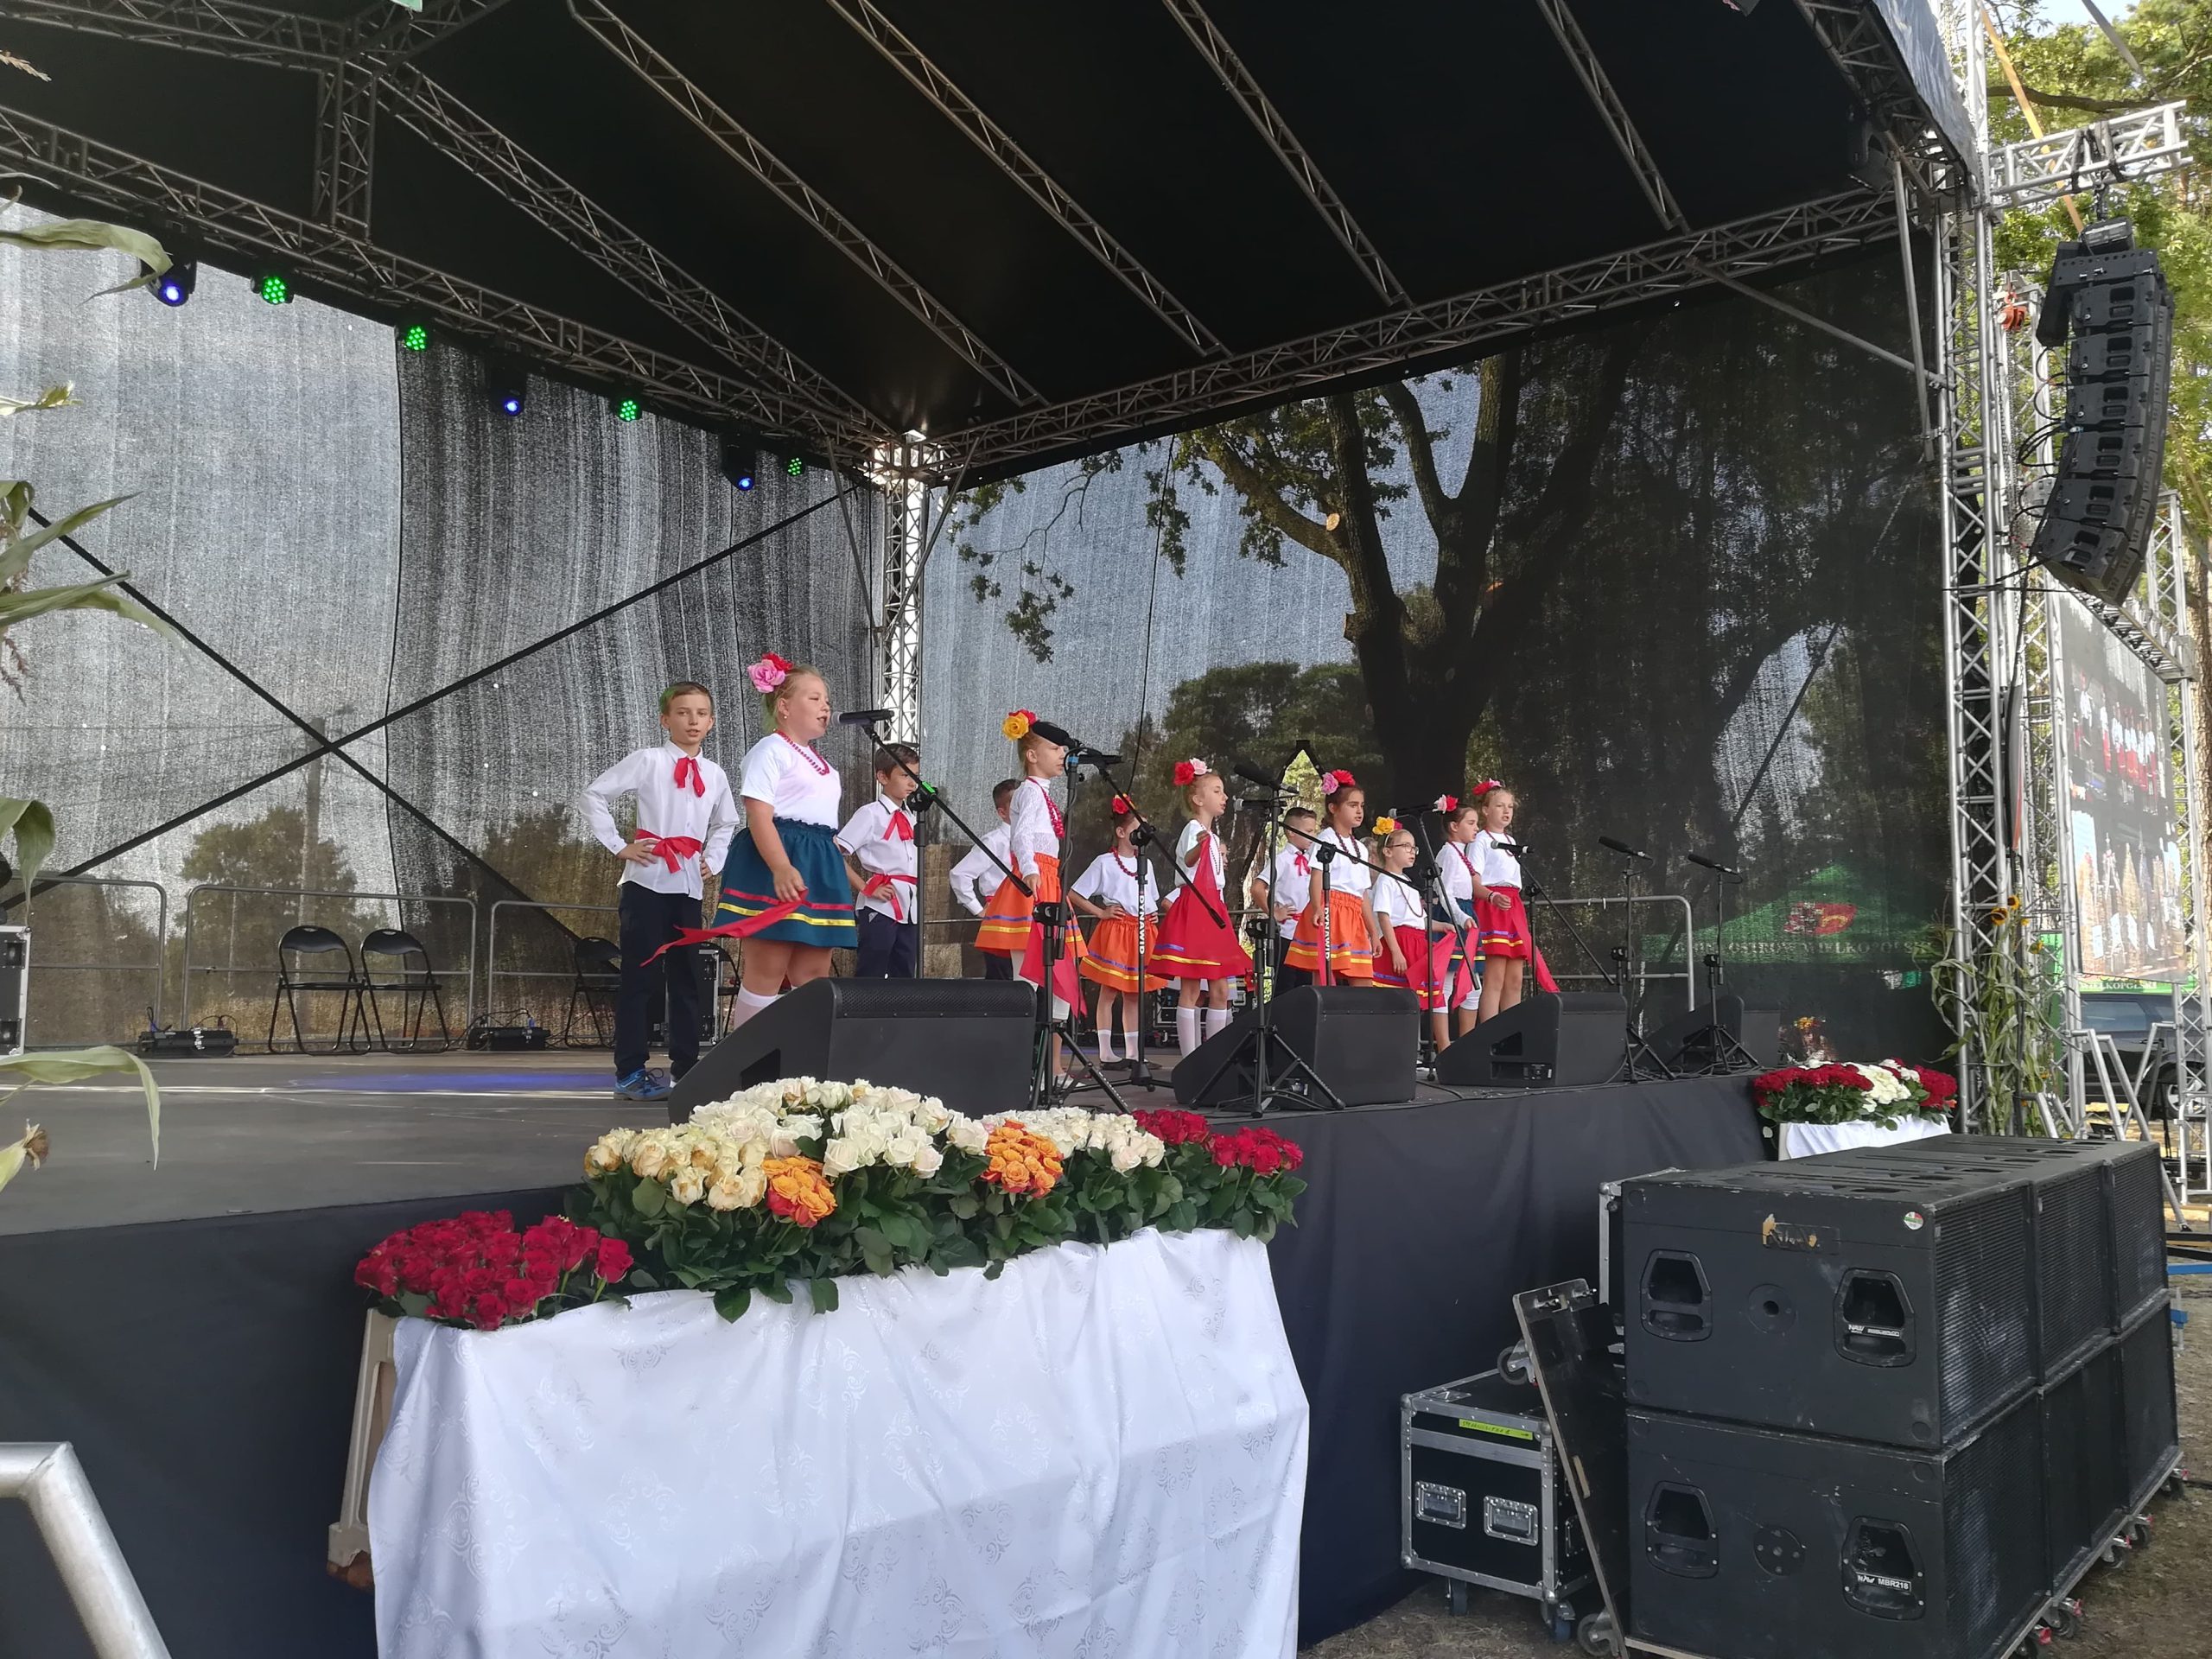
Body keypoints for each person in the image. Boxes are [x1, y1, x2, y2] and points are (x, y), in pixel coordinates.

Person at [579, 682, 740, 1102]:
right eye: (683, 713)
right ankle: (629, 1072)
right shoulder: (648, 760)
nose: (692, 721)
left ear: (711, 721)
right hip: (646, 882)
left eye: (701, 713)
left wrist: (713, 859)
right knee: (640, 977)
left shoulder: (715, 773)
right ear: (665, 719)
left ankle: (687, 1070)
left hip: (687, 885)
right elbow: (593, 794)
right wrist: (619, 845)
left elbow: (726, 822)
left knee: (688, 979)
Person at [710, 653, 857, 1030]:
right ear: (784, 706)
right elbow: (759, 815)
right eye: (814, 698)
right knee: (768, 968)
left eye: (827, 700)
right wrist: (780, 866)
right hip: (780, 857)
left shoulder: (826, 768)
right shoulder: (770, 751)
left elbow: (825, 832)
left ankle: (805, 1058)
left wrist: (848, 877)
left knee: (813, 974)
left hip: (819, 861)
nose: (825, 707)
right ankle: (746, 1059)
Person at [977, 711, 1087, 1069]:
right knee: (1027, 978)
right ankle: (1017, 1063)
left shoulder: (1043, 794)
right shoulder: (1029, 791)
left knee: (1060, 972)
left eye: (1062, 749)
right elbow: (1021, 835)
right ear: (1032, 755)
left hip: (1049, 881)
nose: (1061, 754)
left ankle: (1051, 1066)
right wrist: (1029, 870)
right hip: (1036, 882)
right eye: (1054, 749)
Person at [1153, 760, 1252, 1056]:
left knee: (1220, 989)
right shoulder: (1193, 829)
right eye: (1217, 791)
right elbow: (1189, 860)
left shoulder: (1212, 836)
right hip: (1197, 909)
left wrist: (1214, 849)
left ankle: (1214, 1058)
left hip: (1213, 909)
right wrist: (1202, 845)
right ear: (1198, 799)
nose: (1224, 797)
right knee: (1192, 987)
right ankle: (1191, 1059)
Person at [1074, 797, 1167, 1064]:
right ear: (1121, 832)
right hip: (1117, 930)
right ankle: (1105, 1052)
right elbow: (1075, 893)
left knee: (1134, 993)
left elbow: (1151, 898)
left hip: (1142, 930)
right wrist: (1101, 912)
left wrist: (1151, 913)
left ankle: (1133, 1053)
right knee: (1109, 990)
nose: (1143, 835)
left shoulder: (1146, 863)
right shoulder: (1104, 862)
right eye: (1138, 829)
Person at [1466, 779, 1559, 1025]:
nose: (1506, 811)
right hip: (1493, 906)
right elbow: (1473, 881)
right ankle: (1490, 1032)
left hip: (1513, 905)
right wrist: (1492, 896)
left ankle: (1510, 1030)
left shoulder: (1512, 841)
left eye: (1510, 807)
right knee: (1495, 976)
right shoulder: (1480, 841)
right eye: (1500, 806)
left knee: (1515, 979)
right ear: (1485, 810)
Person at [837, 743, 922, 978]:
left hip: (910, 904)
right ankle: (865, 1004)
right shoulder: (870, 813)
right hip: (881, 903)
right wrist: (865, 887)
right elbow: (834, 852)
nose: (912, 783)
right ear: (883, 777)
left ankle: (900, 1003)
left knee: (905, 969)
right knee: (873, 966)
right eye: (904, 775)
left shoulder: (912, 817)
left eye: (915, 775)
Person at [1286, 770, 1376, 985]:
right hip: (1331, 910)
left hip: (1354, 914)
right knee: (1325, 977)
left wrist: (1373, 931)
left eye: (1361, 805)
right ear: (1333, 808)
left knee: (1363, 980)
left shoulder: (1361, 849)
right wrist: (1317, 907)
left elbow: (1362, 892)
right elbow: (1316, 877)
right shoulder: (1326, 839)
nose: (1359, 811)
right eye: (1352, 805)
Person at [950, 779, 1020, 980]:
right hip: (1001, 916)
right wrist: (979, 909)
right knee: (1002, 976)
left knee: (1028, 978)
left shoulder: (1034, 840)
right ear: (1002, 812)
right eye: (1017, 804)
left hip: (1028, 916)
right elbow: (960, 873)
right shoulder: (994, 841)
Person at [1253, 806, 1319, 1001]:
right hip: (1287, 932)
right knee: (1285, 985)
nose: (1313, 836)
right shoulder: (1282, 859)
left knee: (1306, 985)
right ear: (1291, 833)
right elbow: (1257, 888)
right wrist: (1273, 913)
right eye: (1308, 831)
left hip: (1308, 932)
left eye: (1314, 831)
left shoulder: (1312, 860)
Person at [1433, 796, 1484, 1044]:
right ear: (1454, 826)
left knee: (1473, 985)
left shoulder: (1460, 854)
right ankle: (1444, 1047)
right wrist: (1461, 917)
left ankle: (1466, 1044)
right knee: (1445, 984)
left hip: (1466, 914)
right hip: (1452, 918)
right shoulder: (1448, 854)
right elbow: (1444, 892)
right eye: (1471, 823)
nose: (1476, 828)